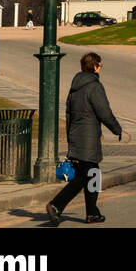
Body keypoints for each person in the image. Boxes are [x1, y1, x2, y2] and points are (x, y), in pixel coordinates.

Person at [46, 52, 122, 225]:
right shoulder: (94, 87)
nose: (100, 68)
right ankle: (56, 205)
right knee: (87, 176)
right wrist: (116, 129)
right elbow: (104, 112)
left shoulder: (75, 87)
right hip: (88, 139)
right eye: (100, 65)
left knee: (91, 174)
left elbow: (68, 113)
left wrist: (70, 137)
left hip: (76, 136)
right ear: (94, 66)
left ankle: (92, 212)